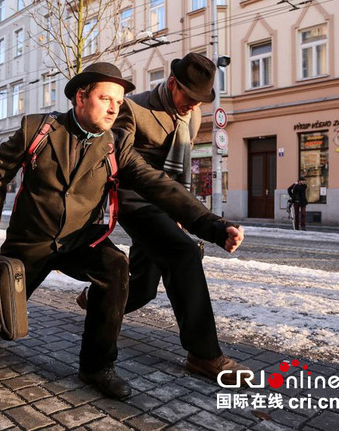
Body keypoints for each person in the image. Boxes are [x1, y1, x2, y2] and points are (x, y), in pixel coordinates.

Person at [0, 62, 244, 399]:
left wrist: (214, 226)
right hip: (31, 242)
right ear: (80, 98)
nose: (114, 107)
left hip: (80, 240)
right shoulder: (38, 129)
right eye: (106, 98)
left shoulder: (116, 146)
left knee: (116, 267)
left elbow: (161, 186)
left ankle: (97, 366)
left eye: (118, 101)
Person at [77, 53, 250, 386]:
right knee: (183, 253)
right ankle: (203, 354)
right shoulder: (133, 109)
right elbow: (123, 165)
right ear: (173, 84)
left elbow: (180, 173)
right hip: (133, 200)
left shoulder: (192, 116)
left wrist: (180, 211)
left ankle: (95, 298)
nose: (193, 105)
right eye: (189, 96)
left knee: (142, 287)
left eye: (201, 100)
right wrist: (198, 220)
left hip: (165, 203)